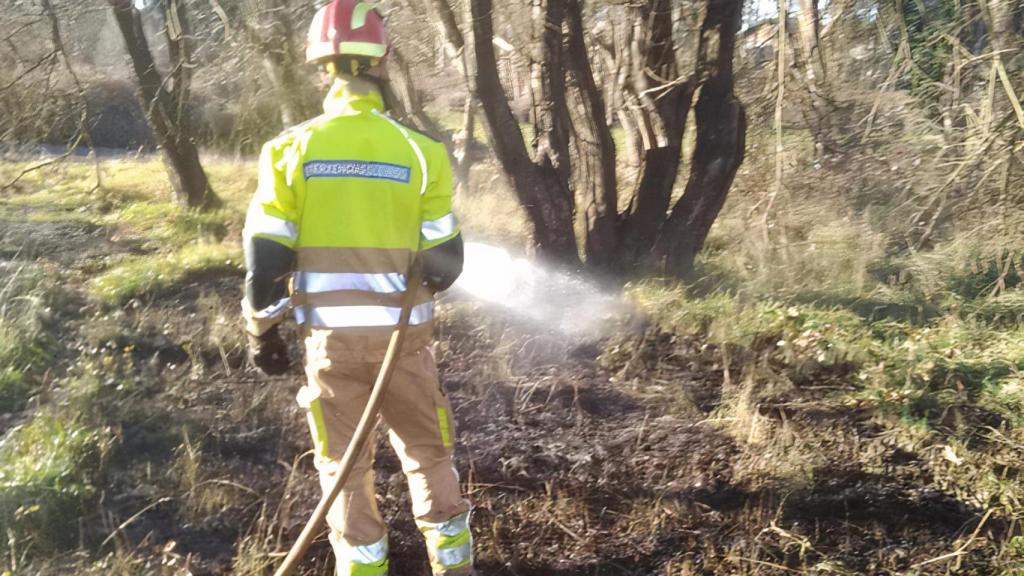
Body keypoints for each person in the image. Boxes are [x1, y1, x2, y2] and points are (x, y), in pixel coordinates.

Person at [240, 1, 472, 574]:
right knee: (427, 455)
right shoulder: (421, 151)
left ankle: (364, 567)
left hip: (331, 347)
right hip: (406, 343)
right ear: (384, 60)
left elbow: (264, 260)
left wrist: (262, 333)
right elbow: (446, 262)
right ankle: (454, 566)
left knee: (343, 464)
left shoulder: (290, 149)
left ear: (321, 67)